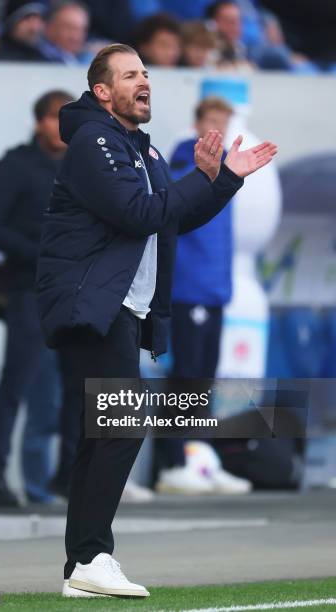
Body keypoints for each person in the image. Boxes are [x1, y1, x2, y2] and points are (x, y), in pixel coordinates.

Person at [36, 43, 277, 597]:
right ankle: (92, 557)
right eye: (130, 74)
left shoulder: (138, 150)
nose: (144, 80)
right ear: (103, 91)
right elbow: (139, 213)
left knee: (103, 434)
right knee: (121, 424)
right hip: (91, 304)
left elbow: (174, 218)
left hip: (117, 306)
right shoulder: (95, 140)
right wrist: (198, 178)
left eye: (146, 72)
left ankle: (81, 566)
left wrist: (223, 179)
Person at [0, 89, 74, 506]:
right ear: (39, 122)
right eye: (55, 117)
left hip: (75, 292)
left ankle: (68, 478)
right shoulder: (16, 164)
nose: (62, 126)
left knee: (77, 389)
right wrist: (39, 253)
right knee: (15, 385)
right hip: (29, 291)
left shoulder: (82, 166)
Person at [154, 96, 251, 495]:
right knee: (184, 378)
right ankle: (172, 464)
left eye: (224, 122)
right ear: (196, 123)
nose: (219, 129)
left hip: (214, 291)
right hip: (188, 289)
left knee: (204, 381)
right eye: (213, 120)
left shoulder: (227, 169)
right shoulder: (184, 160)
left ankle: (202, 460)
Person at [40, 0, 92, 64]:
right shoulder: (37, 58)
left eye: (82, 29)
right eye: (69, 28)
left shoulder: (90, 58)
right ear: (50, 28)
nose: (76, 36)